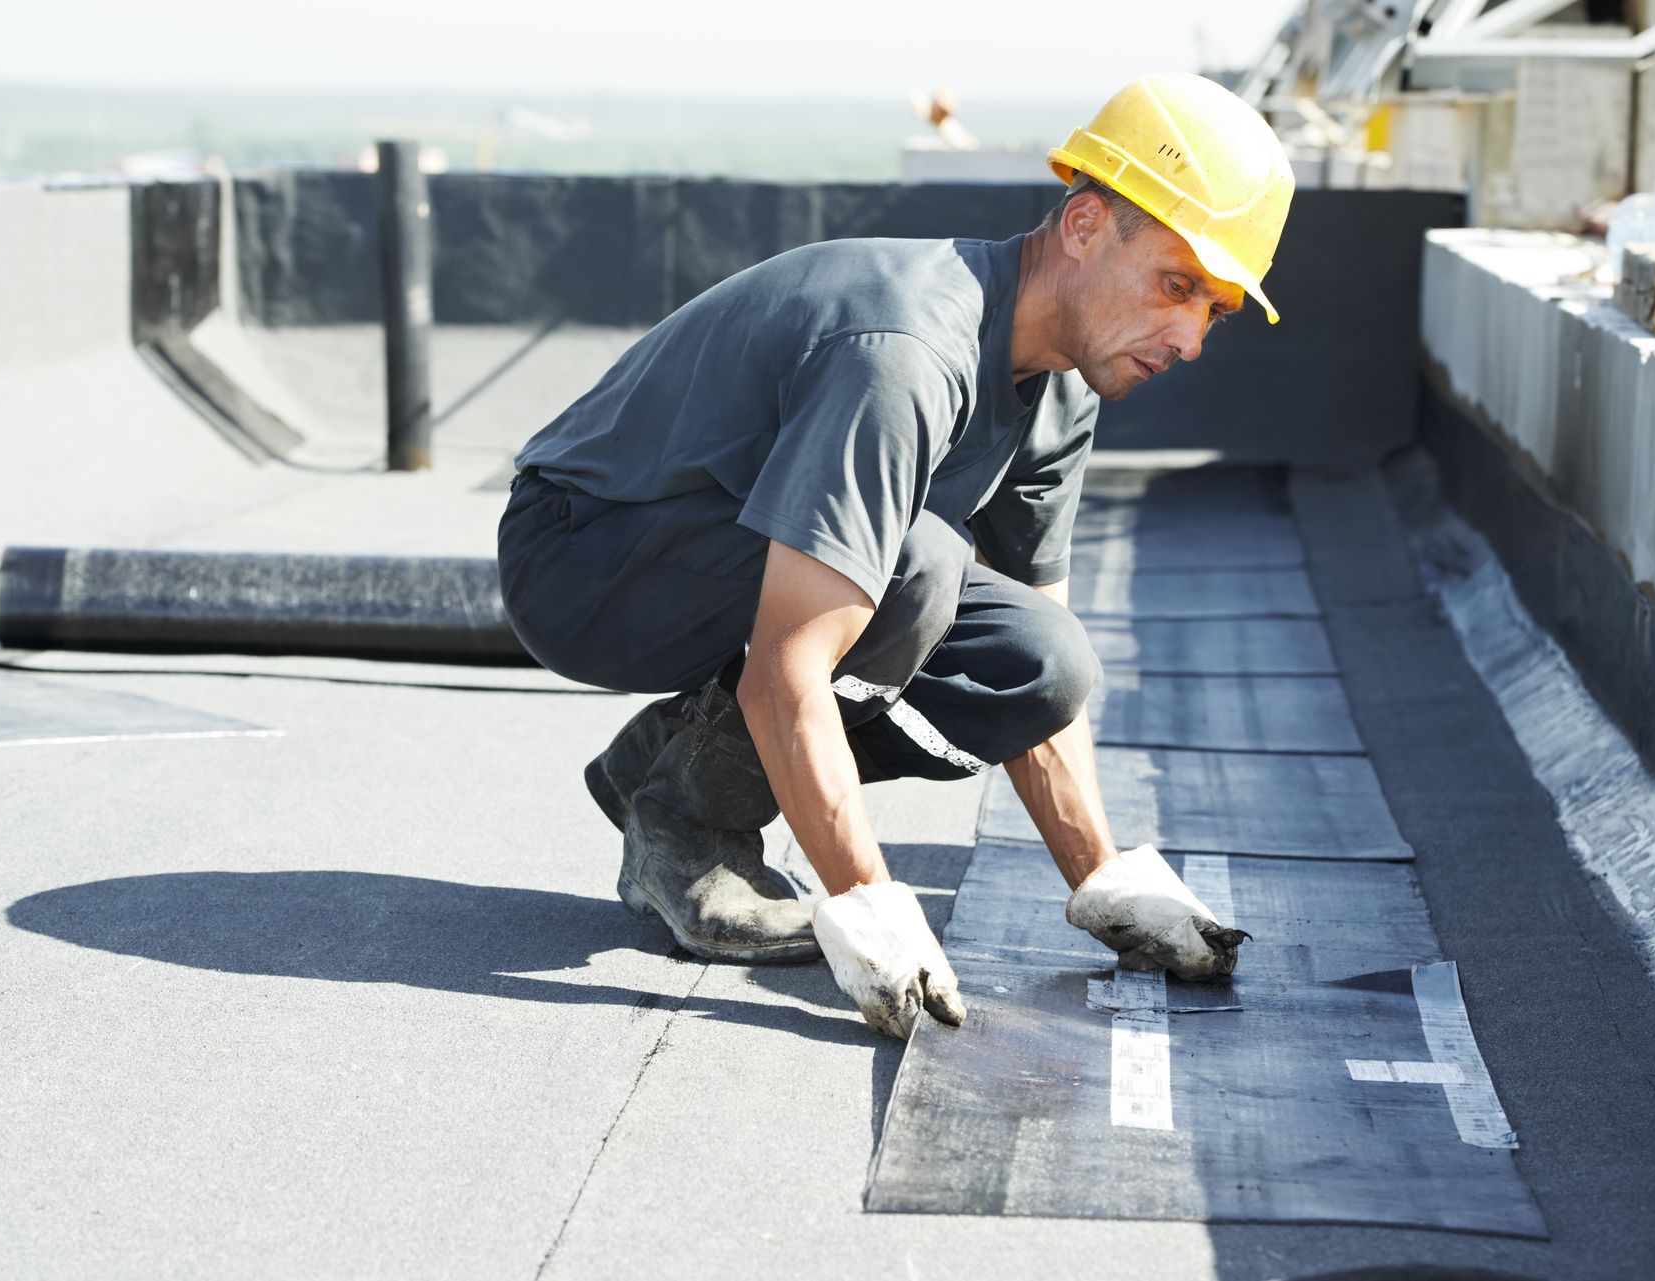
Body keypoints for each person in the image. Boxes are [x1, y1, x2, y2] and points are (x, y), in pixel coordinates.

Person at [497, 73, 1294, 1039]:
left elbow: (1035, 643)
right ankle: (687, 834)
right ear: (1084, 226)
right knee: (916, 566)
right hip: (588, 552)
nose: (1192, 338)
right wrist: (867, 899)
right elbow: (790, 666)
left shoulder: (1063, 386)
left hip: (727, 565)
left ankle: (668, 766)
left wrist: (1104, 878)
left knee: (1042, 662)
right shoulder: (908, 352)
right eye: (1178, 285)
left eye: (1215, 308)